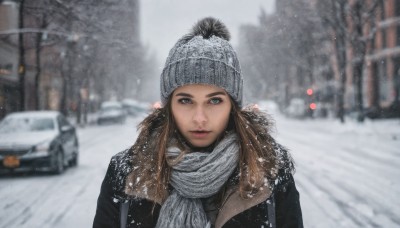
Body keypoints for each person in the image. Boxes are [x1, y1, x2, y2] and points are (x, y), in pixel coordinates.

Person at [93, 17, 303, 228]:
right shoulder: (127, 173)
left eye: (214, 100)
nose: (199, 118)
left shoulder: (270, 170)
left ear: (232, 105)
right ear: (169, 106)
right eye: (185, 100)